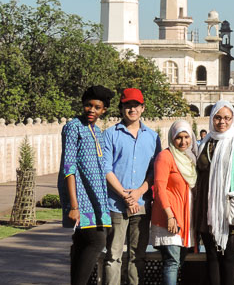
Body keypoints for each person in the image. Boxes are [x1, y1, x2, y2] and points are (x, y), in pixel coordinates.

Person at [193, 100, 234, 285]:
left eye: (227, 118)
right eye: (218, 117)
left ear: (233, 119)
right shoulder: (206, 142)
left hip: (232, 209)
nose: (222, 122)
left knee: (229, 257)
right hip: (208, 209)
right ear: (212, 118)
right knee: (212, 257)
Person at [103, 88, 161, 285]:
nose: (132, 109)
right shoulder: (110, 135)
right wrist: (126, 196)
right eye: (127, 105)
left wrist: (138, 193)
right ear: (121, 108)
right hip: (116, 204)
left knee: (138, 255)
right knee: (113, 255)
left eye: (135, 105)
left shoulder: (153, 137)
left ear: (143, 108)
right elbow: (106, 169)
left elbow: (156, 170)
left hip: (142, 204)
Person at [57, 85, 114, 285]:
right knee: (97, 241)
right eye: (88, 105)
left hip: (97, 197)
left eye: (97, 107)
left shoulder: (97, 131)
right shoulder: (73, 127)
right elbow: (69, 167)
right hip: (81, 197)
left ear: (103, 110)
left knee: (82, 244)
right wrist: (74, 206)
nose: (91, 110)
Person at [151, 120, 198, 285]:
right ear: (172, 138)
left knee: (178, 262)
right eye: (179, 137)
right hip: (169, 218)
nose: (183, 141)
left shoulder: (190, 157)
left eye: (186, 137)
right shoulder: (166, 156)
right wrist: (170, 216)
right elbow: (159, 188)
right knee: (172, 262)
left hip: (185, 218)